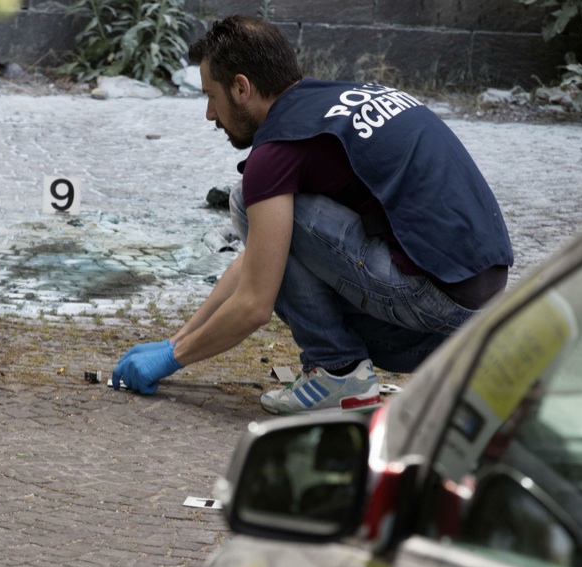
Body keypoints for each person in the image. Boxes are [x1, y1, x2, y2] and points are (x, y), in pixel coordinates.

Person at [112, 15, 512, 414]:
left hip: (437, 301)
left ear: (240, 88)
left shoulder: (277, 153)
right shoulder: (332, 105)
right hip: (484, 299)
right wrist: (178, 336)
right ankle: (393, 363)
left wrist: (173, 358)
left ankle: (338, 372)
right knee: (270, 221)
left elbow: (255, 302)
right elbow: (265, 257)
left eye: (211, 96)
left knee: (246, 203)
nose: (209, 114)